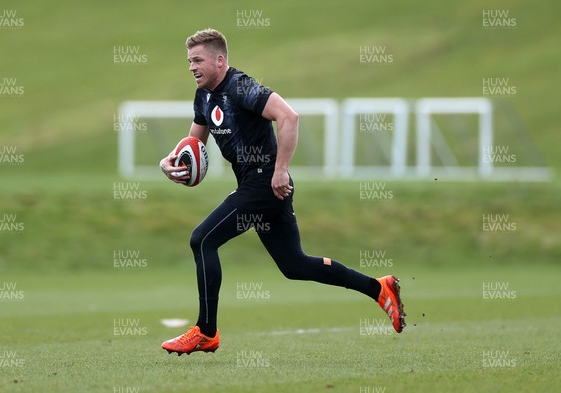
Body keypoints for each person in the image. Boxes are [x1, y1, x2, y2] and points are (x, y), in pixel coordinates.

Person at [159, 28, 406, 355]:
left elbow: (289, 116)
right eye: (189, 61)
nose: (192, 66)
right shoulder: (204, 95)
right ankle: (379, 288)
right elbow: (193, 144)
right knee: (295, 265)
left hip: (264, 183)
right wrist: (171, 163)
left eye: (198, 60)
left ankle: (206, 331)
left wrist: (280, 170)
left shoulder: (240, 86)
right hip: (260, 188)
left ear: (220, 60)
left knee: (202, 239)